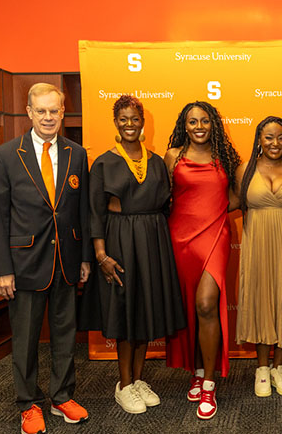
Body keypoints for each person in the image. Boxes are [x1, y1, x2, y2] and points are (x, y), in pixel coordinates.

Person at [0, 83, 91, 434]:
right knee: (26, 339)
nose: (48, 117)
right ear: (28, 112)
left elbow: (83, 211)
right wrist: (1, 269)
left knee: (65, 334)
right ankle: (27, 404)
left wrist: (85, 257)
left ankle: (62, 397)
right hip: (24, 263)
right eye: (41, 111)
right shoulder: (4, 155)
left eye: (54, 111)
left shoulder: (77, 153)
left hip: (67, 259)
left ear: (63, 112)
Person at [82, 95, 186, 414]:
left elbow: (167, 203)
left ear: (143, 122)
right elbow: (95, 211)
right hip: (119, 240)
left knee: (145, 311)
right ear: (116, 122)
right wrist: (101, 255)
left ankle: (139, 380)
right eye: (123, 119)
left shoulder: (156, 161)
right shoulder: (103, 162)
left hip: (152, 240)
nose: (130, 124)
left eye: (135, 119)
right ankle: (124, 385)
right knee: (126, 312)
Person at [164, 101, 241, 420]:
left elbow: (238, 194)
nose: (198, 126)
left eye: (205, 121)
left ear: (214, 125)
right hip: (179, 236)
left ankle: (209, 382)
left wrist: (216, 214)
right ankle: (196, 369)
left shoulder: (225, 156)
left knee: (208, 304)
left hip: (215, 234)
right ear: (184, 124)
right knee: (188, 306)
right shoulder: (173, 155)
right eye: (192, 121)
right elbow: (163, 194)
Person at [235, 116, 282, 397]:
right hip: (256, 246)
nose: (275, 143)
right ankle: (262, 368)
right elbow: (227, 202)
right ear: (259, 140)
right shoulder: (245, 169)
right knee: (261, 301)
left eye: (280, 137)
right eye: (268, 137)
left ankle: (279, 367)